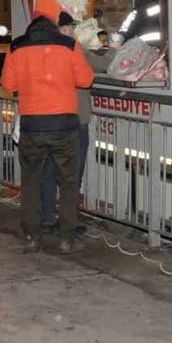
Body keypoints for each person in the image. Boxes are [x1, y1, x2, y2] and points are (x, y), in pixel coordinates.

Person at [0, 0, 94, 254]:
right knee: (69, 182)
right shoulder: (68, 45)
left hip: (32, 126)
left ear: (35, 15)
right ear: (55, 16)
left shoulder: (17, 46)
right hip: (65, 126)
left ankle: (32, 236)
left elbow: (9, 85)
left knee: (31, 182)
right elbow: (86, 80)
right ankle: (67, 238)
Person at [39, 12, 113, 235]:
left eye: (71, 27)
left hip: (49, 118)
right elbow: (94, 71)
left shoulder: (41, 51)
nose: (71, 31)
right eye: (68, 27)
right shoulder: (73, 49)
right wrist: (114, 47)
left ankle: (47, 218)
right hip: (74, 119)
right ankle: (68, 221)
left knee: (50, 170)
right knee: (72, 173)